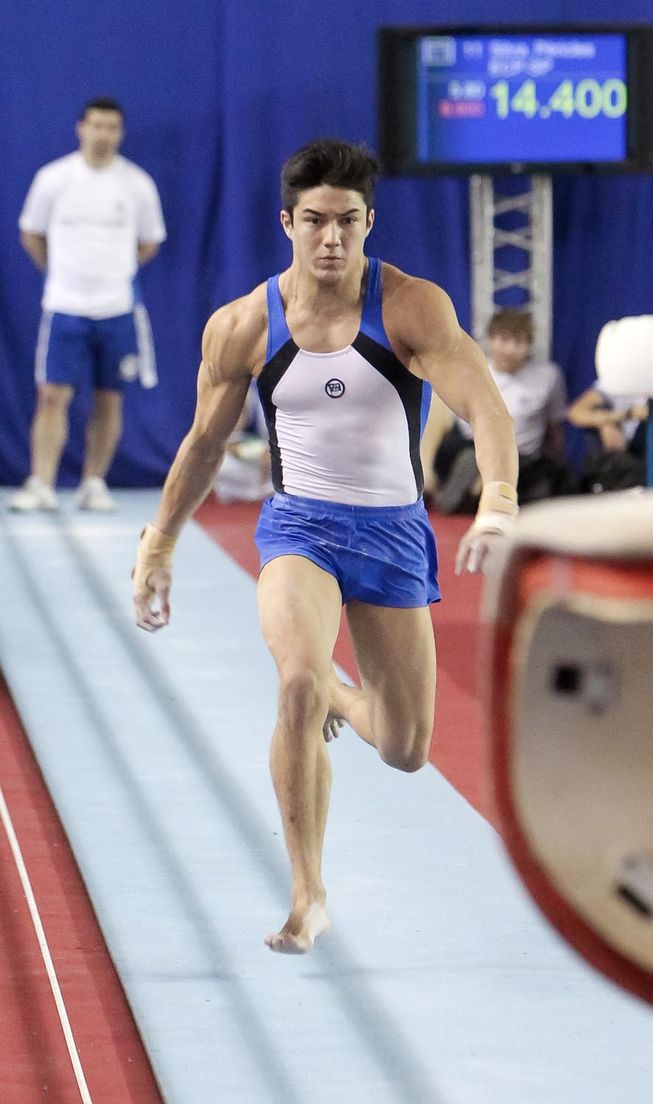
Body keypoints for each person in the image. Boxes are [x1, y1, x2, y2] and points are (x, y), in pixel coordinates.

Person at [131, 139, 518, 954]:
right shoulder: (244, 325)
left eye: (348, 221)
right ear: (287, 223)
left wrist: (499, 499)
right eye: (315, 221)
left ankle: (345, 699)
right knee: (298, 681)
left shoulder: (411, 308)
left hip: (392, 532)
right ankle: (307, 893)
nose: (332, 238)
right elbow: (204, 444)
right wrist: (159, 543)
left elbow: (485, 406)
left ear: (370, 222)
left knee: (406, 750)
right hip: (299, 528)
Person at [9, 97, 166, 513]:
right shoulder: (53, 179)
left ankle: (93, 482)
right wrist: (59, 274)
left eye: (111, 127)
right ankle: (42, 483)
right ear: (81, 128)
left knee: (109, 397)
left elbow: (150, 241)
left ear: (121, 133)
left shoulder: (137, 184)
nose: (103, 134)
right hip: (64, 307)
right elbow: (31, 233)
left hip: (117, 309)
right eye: (96, 125)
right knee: (52, 395)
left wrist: (114, 273)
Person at [424, 308, 572, 512]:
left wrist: (558, 461)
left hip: (522, 456)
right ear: (491, 339)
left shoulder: (549, 376)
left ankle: (483, 490)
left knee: (537, 490)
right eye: (504, 339)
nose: (510, 349)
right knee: (464, 455)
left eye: (518, 341)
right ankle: (455, 488)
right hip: (470, 447)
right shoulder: (474, 370)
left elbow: (554, 426)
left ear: (529, 344)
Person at [567, 382, 653, 491]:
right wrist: (605, 423)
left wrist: (630, 414)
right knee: (595, 426)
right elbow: (576, 412)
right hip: (626, 453)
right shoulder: (617, 379)